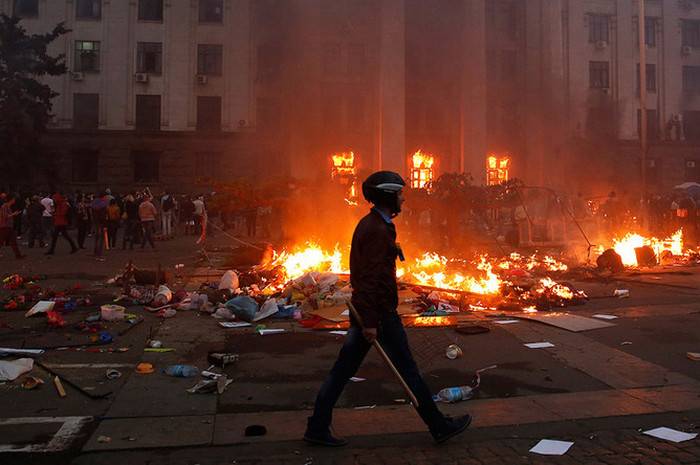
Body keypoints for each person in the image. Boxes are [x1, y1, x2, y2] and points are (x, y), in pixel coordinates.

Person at [304, 171, 471, 447]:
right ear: (388, 196)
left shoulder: (375, 225)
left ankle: (318, 426)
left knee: (344, 370)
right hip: (378, 316)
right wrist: (370, 322)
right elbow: (369, 280)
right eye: (399, 194)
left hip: (371, 313)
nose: (403, 198)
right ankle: (438, 426)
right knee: (407, 371)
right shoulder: (377, 231)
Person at [0, 194, 25, 259]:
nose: (14, 201)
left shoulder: (7, 207)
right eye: (13, 199)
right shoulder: (4, 206)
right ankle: (18, 255)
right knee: (1, 241)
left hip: (9, 226)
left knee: (13, 241)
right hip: (5, 226)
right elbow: (5, 216)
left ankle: (18, 255)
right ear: (11, 200)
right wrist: (13, 214)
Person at [91, 191, 109, 259]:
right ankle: (99, 253)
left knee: (97, 237)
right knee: (101, 238)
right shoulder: (103, 204)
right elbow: (103, 215)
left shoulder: (94, 203)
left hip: (95, 222)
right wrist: (105, 223)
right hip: (101, 222)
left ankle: (95, 251)